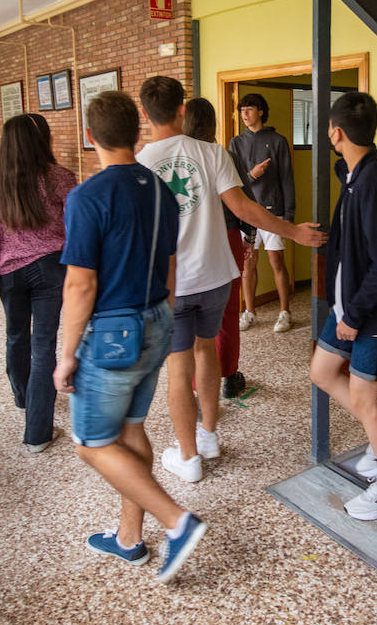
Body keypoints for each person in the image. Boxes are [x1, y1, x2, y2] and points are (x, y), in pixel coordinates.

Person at [136, 76, 324, 484]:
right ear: (182, 110)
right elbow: (245, 209)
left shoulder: (142, 163)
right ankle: (208, 436)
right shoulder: (213, 152)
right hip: (217, 277)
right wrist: (293, 232)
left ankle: (188, 458)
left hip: (173, 285)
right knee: (207, 352)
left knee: (177, 368)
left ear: (145, 114)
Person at [53, 90, 206, 584]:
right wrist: (163, 309)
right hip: (157, 320)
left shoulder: (87, 197)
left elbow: (80, 285)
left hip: (112, 336)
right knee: (130, 431)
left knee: (90, 443)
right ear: (138, 133)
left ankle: (177, 523)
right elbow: (170, 265)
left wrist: (64, 356)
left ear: (89, 137)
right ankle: (128, 539)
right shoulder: (160, 190)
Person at [309, 92, 377, 521]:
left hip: (374, 313)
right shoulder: (354, 175)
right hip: (351, 304)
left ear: (336, 132)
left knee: (363, 395)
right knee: (321, 371)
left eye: (330, 130)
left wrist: (353, 316)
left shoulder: (371, 181)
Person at [0, 113, 77, 452]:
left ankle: (23, 397)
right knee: (43, 345)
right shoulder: (58, 176)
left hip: (8, 271)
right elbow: (78, 221)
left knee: (15, 335)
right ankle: (37, 433)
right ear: (42, 140)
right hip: (50, 268)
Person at [182, 98, 250, 399]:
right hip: (228, 235)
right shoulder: (221, 154)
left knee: (192, 320)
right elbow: (242, 202)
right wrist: (250, 236)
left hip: (187, 242)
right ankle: (229, 375)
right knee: (227, 313)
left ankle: (197, 387)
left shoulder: (176, 156)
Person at [229, 93, 297, 333]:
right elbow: (233, 180)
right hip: (246, 213)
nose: (244, 113)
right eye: (242, 109)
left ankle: (285, 312)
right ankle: (249, 312)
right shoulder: (236, 142)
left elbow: (287, 178)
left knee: (276, 261)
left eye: (249, 108)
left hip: (273, 212)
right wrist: (252, 175)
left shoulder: (278, 140)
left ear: (260, 111)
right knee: (248, 264)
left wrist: (289, 216)